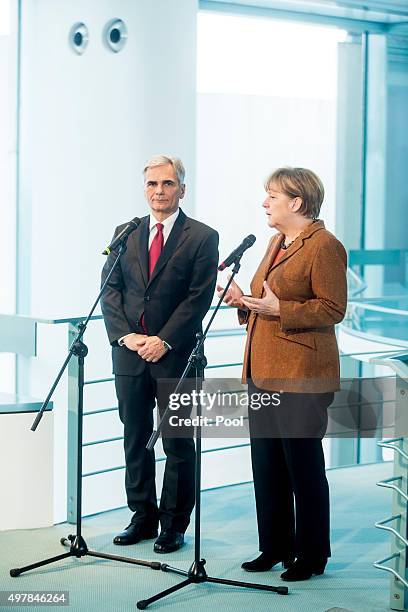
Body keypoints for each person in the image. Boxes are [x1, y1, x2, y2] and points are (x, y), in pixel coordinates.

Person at [217, 167, 347, 581]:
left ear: (297, 202)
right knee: (267, 464)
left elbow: (333, 308)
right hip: (263, 370)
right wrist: (244, 301)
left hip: (302, 374)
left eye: (272, 196)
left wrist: (279, 310)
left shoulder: (324, 245)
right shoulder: (276, 242)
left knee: (302, 466)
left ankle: (311, 555)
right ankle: (273, 546)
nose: (264, 203)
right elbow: (268, 299)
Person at [101, 155, 218, 553]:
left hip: (178, 356)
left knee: (178, 441)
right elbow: (110, 290)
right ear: (144, 188)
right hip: (131, 355)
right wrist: (126, 337)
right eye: (152, 184)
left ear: (182, 189)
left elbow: (198, 298)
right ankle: (143, 516)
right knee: (134, 436)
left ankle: (174, 524)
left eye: (168, 184)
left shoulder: (202, 236)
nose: (159, 191)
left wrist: (163, 339)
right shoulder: (126, 232)